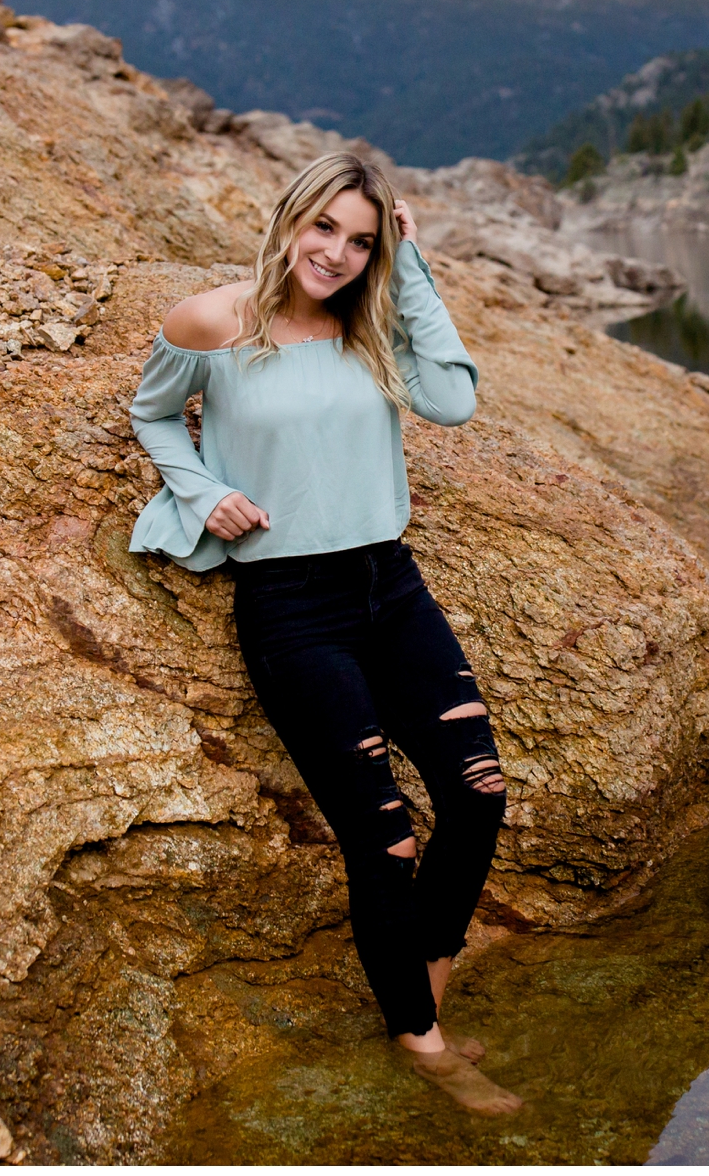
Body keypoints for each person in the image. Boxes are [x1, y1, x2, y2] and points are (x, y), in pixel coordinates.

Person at [126, 152, 523, 1116]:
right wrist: (205, 489)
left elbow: (455, 401)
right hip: (290, 603)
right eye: (325, 229)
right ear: (290, 218)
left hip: (391, 583)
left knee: (477, 797)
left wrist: (414, 266)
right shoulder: (210, 323)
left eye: (362, 239)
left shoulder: (372, 321)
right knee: (382, 832)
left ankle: (422, 986)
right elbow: (153, 415)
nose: (338, 254)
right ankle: (421, 1043)